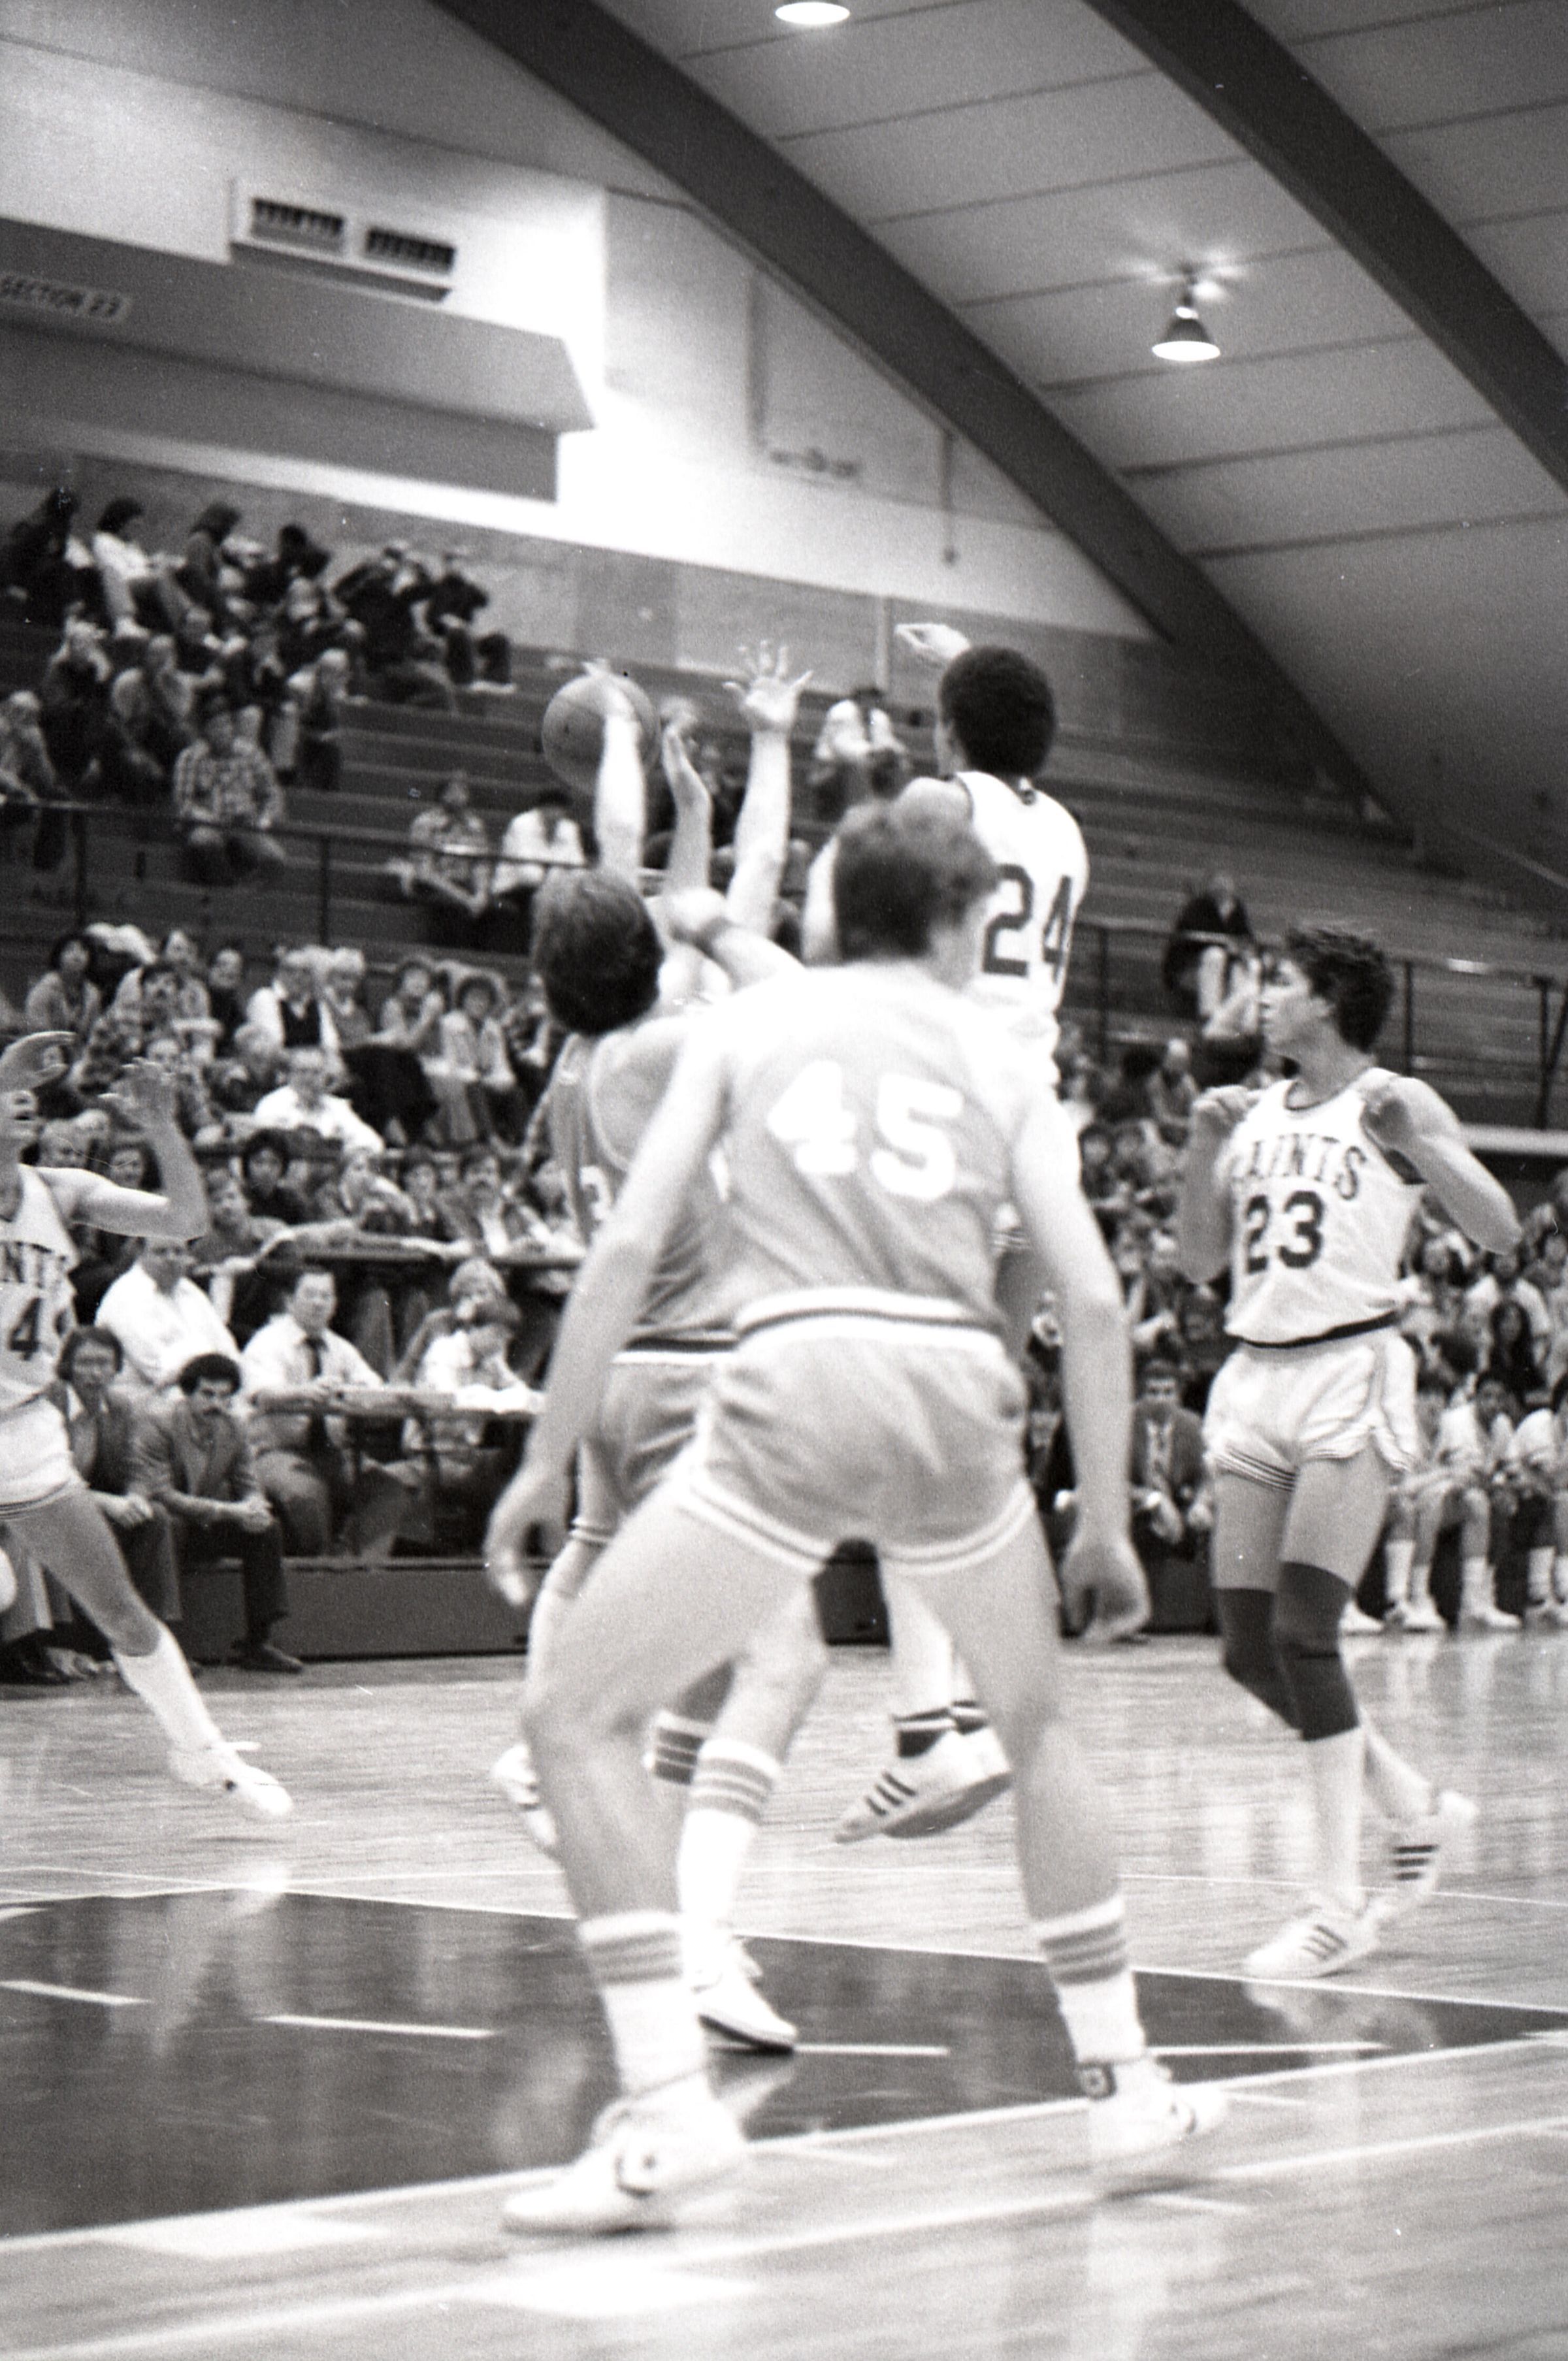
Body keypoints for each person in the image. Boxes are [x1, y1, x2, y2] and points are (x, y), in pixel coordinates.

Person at [485, 804, 1222, 2234]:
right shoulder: (1003, 1062)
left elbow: (624, 1247)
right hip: (953, 1393)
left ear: (835, 915)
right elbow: (1091, 1301)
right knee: (1037, 1732)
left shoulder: (744, 1029)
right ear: (957, 924)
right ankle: (1123, 2081)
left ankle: (668, 2106)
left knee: (571, 1717)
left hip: (797, 1379)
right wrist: (1106, 1517)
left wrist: (547, 1454)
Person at [488, 654, 827, 2056]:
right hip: (698, 1377)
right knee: (785, 1663)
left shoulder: (580, 1063)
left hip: (623, 1379)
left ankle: (547, 1749)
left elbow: (643, 880)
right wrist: (750, 764)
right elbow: (748, 923)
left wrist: (671, 773)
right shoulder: (676, 1046)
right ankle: (698, 1934)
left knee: (666, 1634)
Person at [1176, 924, 1519, 1978]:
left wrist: (1423, 1146)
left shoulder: (1396, 1100)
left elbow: (1500, 1227)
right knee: (1248, 1647)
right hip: (1255, 1375)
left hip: (1350, 1371)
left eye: (1278, 981)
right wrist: (1198, 1145)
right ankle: (1410, 1803)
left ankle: (1336, 1906)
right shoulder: (1247, 1112)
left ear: (1326, 999)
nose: (1260, 997)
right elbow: (1197, 1261)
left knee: (1305, 1632)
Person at [808, 623, 1090, 1843]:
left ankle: (931, 1730)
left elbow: (863, 886)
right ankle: (969, 1707)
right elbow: (997, 744)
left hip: (954, 1127)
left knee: (904, 1430)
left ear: (950, 729)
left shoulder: (936, 796)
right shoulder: (1064, 825)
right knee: (971, 1432)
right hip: (1039, 1136)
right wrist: (968, 670)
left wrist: (854, 758)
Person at [0, 1035, 289, 1816]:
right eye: (4, 1092)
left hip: (22, 1427)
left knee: (120, 1607)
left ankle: (204, 1753)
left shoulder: (58, 1191)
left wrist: (163, 1127)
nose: (22, 1098)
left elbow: (185, 1217)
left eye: (26, 1093)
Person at [240, 1266, 420, 1557]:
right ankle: (322, 1568)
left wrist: (374, 1392)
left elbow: (372, 1387)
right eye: (310, 1295)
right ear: (290, 1301)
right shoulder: (267, 1342)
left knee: (389, 1490)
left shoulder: (340, 1348)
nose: (318, 1303)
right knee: (306, 1493)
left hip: (333, 1454)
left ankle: (353, 1565)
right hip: (275, 1452)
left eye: (326, 1296)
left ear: (335, 1304)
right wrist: (305, 1391)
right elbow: (263, 1393)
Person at [136, 1352, 299, 1674]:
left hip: (205, 1522)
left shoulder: (234, 1427)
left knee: (266, 1529)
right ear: (187, 1393)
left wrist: (255, 1507)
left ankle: (258, 1642)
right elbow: (161, 1494)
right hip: (164, 1522)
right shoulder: (159, 1423)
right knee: (169, 1524)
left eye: (225, 1397)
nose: (216, 1404)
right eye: (207, 1394)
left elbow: (248, 1481)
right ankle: (167, 1647)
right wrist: (230, 1510)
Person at [53, 1325, 180, 1627]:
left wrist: (135, 1497)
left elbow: (137, 1466)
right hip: (53, 1505)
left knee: (155, 1517)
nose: (95, 1373)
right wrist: (106, 1503)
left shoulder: (121, 1406)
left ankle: (154, 1628)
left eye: (104, 1364)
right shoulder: (51, 1404)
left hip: (95, 1505)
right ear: (68, 1366)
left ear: (117, 1368)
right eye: (85, 1363)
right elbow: (49, 1477)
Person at [96, 1238, 242, 1401]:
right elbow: (159, 1370)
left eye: (179, 1252)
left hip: (208, 1391)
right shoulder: (125, 1296)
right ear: (140, 1254)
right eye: (160, 1252)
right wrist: (210, 1362)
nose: (171, 1258)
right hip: (148, 1398)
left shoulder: (190, 1291)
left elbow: (227, 1349)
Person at [171, 702, 287, 884]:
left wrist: (265, 819)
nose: (222, 731)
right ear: (205, 731)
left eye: (226, 724)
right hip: (209, 823)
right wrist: (204, 817)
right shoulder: (190, 758)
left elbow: (272, 792)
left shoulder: (250, 754)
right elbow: (182, 802)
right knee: (203, 842)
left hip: (245, 823)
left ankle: (246, 894)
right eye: (215, 726)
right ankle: (225, 889)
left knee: (275, 859)